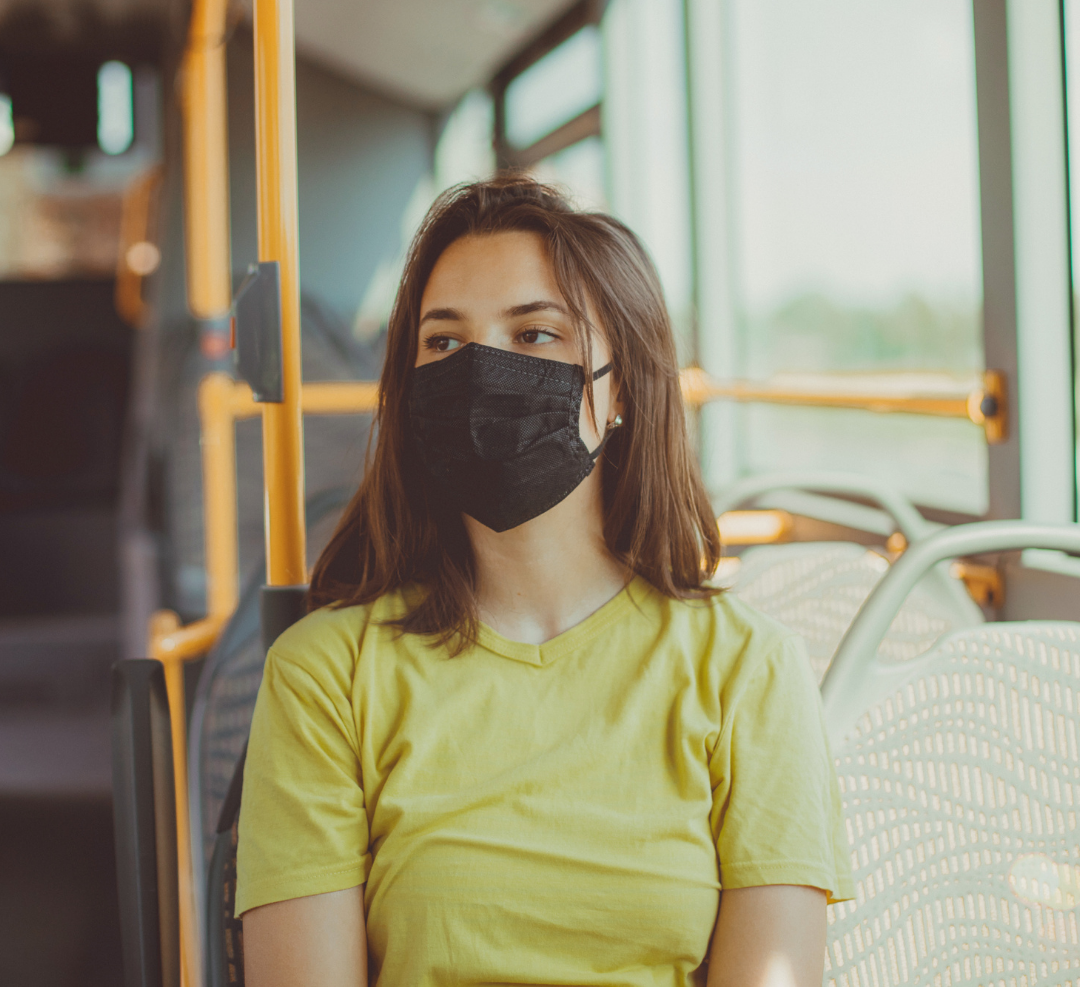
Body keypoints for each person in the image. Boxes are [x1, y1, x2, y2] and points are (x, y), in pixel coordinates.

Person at [237, 176, 853, 987]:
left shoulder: (747, 670)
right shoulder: (325, 675)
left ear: (621, 384)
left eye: (535, 336)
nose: (483, 372)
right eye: (445, 345)